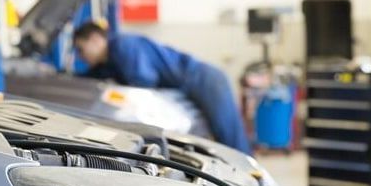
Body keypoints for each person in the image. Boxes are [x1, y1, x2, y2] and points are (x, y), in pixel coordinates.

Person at [73, 22, 252, 155]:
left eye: (81, 49)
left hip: (205, 79)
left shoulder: (123, 46)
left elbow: (144, 80)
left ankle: (250, 179)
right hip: (192, 83)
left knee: (229, 135)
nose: (81, 56)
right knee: (218, 135)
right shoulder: (109, 60)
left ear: (96, 39)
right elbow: (92, 75)